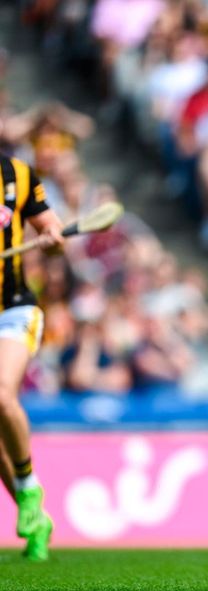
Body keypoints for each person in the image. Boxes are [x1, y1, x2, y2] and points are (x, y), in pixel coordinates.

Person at [0, 152, 65, 560]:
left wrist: (52, 239)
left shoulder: (17, 174)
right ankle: (35, 514)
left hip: (14, 307)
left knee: (1, 395)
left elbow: (50, 227)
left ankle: (28, 490)